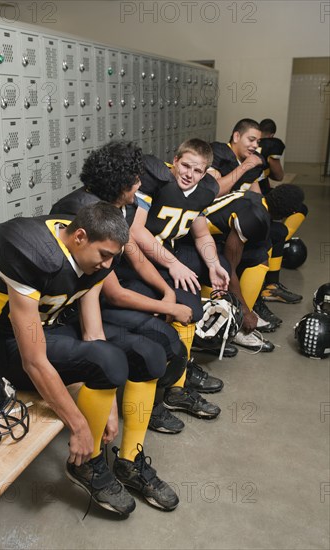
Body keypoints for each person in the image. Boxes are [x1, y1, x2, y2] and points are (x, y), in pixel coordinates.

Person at [0, 202, 178, 515]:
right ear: (80, 237)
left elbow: (92, 330)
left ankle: (129, 461)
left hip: (55, 329)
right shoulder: (30, 253)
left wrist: (110, 402)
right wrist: (80, 427)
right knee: (108, 361)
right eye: (104, 255)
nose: (109, 265)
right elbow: (33, 360)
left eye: (114, 257)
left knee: (148, 354)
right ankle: (88, 463)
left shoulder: (94, 248)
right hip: (10, 346)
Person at [50, 141, 223, 433]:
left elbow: (137, 257)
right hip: (71, 311)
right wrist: (167, 306)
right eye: (135, 183)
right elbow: (113, 292)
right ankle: (147, 410)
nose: (139, 190)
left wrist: (167, 291)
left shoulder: (115, 207)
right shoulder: (85, 213)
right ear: (120, 185)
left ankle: (159, 400)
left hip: (95, 300)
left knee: (170, 343)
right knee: (154, 348)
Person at [128, 138, 231, 415]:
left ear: (206, 172)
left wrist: (212, 265)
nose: (189, 175)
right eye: (185, 166)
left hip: (168, 252)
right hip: (137, 259)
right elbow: (135, 231)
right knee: (189, 308)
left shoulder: (205, 189)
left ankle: (180, 374)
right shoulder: (156, 181)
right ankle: (174, 384)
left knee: (221, 265)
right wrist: (173, 264)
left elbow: (201, 233)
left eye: (198, 171)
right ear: (175, 160)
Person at [196, 184, 305, 351]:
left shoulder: (257, 200)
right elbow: (229, 269)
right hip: (193, 242)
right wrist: (245, 312)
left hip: (210, 237)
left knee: (261, 253)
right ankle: (236, 323)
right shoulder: (255, 217)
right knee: (234, 264)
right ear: (289, 213)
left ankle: (245, 310)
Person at [254, 118, 308, 310]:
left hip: (257, 198)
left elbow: (275, 177)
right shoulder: (264, 150)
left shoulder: (253, 151)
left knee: (282, 223)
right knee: (277, 229)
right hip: (255, 203)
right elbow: (279, 176)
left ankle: (271, 280)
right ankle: (269, 284)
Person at [209, 118, 267, 197]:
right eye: (251, 140)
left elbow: (257, 196)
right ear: (236, 137)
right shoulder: (217, 153)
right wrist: (245, 166)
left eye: (258, 142)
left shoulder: (253, 158)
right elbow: (213, 191)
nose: (255, 145)